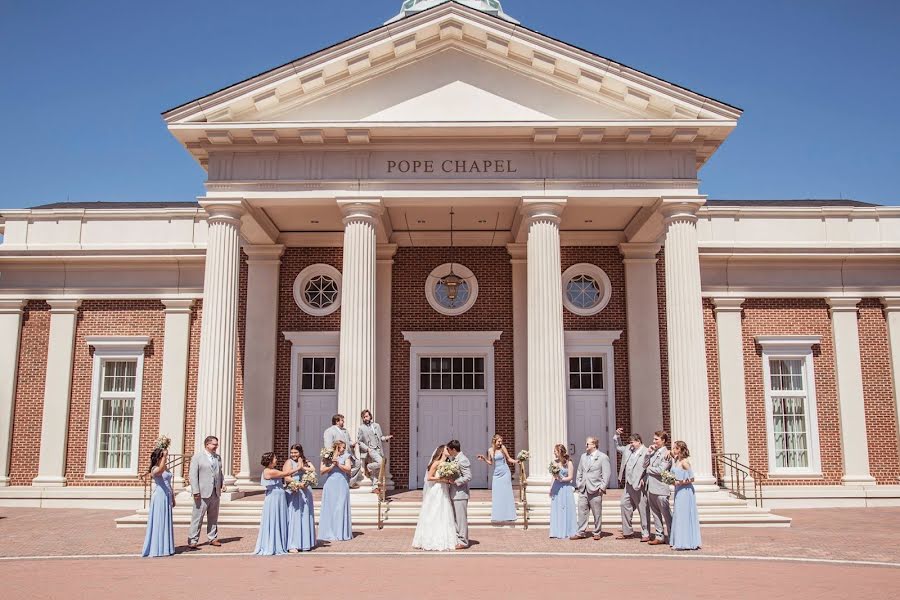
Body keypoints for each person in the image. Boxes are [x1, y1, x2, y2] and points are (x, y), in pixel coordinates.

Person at [412, 445, 459, 551]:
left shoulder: (448, 464)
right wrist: (441, 479)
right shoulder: (436, 463)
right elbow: (429, 478)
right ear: (442, 451)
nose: (449, 450)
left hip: (445, 490)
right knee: (434, 513)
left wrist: (449, 479)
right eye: (447, 449)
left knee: (444, 513)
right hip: (436, 490)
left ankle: (445, 540)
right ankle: (430, 540)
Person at [255, 452, 302, 555]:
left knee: (280, 519)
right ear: (270, 460)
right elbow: (285, 474)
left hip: (280, 497)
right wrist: (299, 467)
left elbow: (279, 484)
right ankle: (272, 544)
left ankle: (280, 542)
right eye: (275, 458)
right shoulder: (269, 471)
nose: (276, 460)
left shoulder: (272, 471)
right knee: (274, 519)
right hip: (274, 499)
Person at [570, 436, 611, 541]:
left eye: (587, 444)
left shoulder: (603, 457)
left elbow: (606, 474)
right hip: (583, 488)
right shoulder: (583, 456)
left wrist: (602, 487)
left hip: (595, 488)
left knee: (596, 512)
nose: (585, 446)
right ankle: (581, 532)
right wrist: (579, 483)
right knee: (582, 511)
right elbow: (579, 471)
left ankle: (597, 532)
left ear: (594, 444)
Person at [188, 435, 225, 548]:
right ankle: (193, 540)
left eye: (216, 444)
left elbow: (220, 472)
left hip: (215, 492)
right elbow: (193, 475)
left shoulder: (217, 457)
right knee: (197, 517)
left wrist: (222, 484)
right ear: (207, 444)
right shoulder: (198, 457)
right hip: (202, 492)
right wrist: (195, 491)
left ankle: (212, 538)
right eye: (214, 444)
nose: (216, 446)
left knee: (213, 517)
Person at [614, 428, 650, 542]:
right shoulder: (629, 450)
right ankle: (627, 532)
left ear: (639, 441)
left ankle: (646, 533)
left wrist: (644, 478)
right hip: (628, 484)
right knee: (624, 504)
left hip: (639, 484)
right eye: (630, 443)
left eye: (632, 442)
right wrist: (617, 436)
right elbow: (619, 447)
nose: (631, 444)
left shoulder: (646, 451)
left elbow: (649, 468)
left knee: (642, 509)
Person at [141, 444, 175, 557]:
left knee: (165, 521)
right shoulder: (155, 468)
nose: (166, 458)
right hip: (159, 497)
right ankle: (157, 547)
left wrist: (173, 498)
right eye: (163, 456)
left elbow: (168, 484)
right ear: (159, 457)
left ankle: (166, 547)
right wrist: (164, 456)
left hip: (167, 496)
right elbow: (160, 471)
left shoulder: (166, 468)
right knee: (159, 520)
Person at [476, 434, 517, 523]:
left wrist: (517, 461)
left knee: (506, 493)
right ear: (494, 441)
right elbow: (490, 462)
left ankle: (508, 515)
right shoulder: (490, 450)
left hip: (505, 472)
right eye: (499, 441)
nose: (500, 443)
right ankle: (498, 515)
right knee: (497, 493)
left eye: (501, 441)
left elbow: (509, 459)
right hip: (497, 474)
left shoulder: (503, 448)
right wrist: (484, 458)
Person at [669, 441, 702, 551]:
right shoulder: (677, 461)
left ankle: (686, 542)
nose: (673, 450)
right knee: (678, 514)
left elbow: (692, 478)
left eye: (675, 448)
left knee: (683, 515)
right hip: (678, 490)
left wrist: (681, 482)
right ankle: (679, 540)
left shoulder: (685, 462)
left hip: (685, 491)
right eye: (673, 448)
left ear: (680, 450)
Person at [318, 440, 353, 541]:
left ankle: (340, 532)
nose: (344, 449)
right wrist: (332, 465)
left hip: (342, 483)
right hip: (330, 484)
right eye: (342, 447)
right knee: (330, 507)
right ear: (336, 447)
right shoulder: (327, 456)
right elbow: (322, 471)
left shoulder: (346, 456)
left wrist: (338, 464)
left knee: (340, 507)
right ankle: (328, 532)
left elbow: (348, 469)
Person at [284, 444, 317, 552]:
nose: (293, 454)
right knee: (295, 516)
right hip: (295, 490)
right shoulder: (289, 462)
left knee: (305, 515)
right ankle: (293, 544)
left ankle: (305, 543)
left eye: (295, 452)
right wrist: (297, 483)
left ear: (300, 452)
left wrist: (302, 466)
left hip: (305, 491)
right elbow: (286, 477)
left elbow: (313, 469)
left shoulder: (305, 461)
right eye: (292, 452)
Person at [644, 430, 673, 545]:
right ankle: (659, 536)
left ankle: (672, 536)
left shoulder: (667, 454)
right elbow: (644, 464)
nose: (653, 441)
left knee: (667, 515)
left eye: (656, 439)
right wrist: (648, 453)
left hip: (661, 488)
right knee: (655, 514)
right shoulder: (653, 452)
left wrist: (648, 469)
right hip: (651, 487)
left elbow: (662, 470)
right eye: (654, 438)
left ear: (663, 441)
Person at [357, 409, 392, 492]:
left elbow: (380, 437)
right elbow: (359, 441)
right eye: (364, 417)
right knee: (381, 463)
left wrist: (386, 438)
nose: (365, 418)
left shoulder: (376, 425)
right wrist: (367, 449)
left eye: (367, 416)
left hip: (379, 449)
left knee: (377, 470)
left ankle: (375, 487)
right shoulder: (361, 428)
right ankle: (368, 466)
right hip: (371, 449)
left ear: (370, 416)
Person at [446, 440, 472, 550]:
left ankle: (463, 541)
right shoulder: (454, 459)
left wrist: (455, 482)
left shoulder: (463, 460)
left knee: (461, 519)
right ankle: (457, 539)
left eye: (449, 449)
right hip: (454, 493)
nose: (448, 451)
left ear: (453, 449)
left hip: (460, 494)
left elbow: (468, 476)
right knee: (456, 518)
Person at [549, 443, 577, 539]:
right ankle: (556, 531)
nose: (554, 453)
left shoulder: (569, 463)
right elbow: (553, 476)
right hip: (557, 487)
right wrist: (551, 488)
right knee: (557, 508)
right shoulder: (554, 463)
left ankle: (567, 530)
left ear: (560, 452)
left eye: (555, 451)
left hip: (566, 488)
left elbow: (570, 477)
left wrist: (562, 479)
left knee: (565, 508)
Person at [324, 414, 360, 487]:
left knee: (357, 463)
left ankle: (350, 482)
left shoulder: (345, 431)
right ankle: (345, 483)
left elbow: (349, 441)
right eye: (342, 421)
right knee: (343, 468)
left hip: (348, 454)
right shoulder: (329, 431)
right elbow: (328, 445)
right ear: (337, 421)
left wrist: (352, 443)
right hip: (338, 455)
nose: (343, 422)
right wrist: (333, 456)